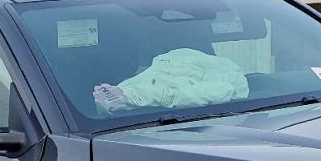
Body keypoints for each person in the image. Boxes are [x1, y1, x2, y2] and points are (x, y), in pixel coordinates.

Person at [93, 47, 248, 114]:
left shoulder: (182, 58)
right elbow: (109, 104)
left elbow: (227, 89)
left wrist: (137, 96)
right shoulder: (134, 81)